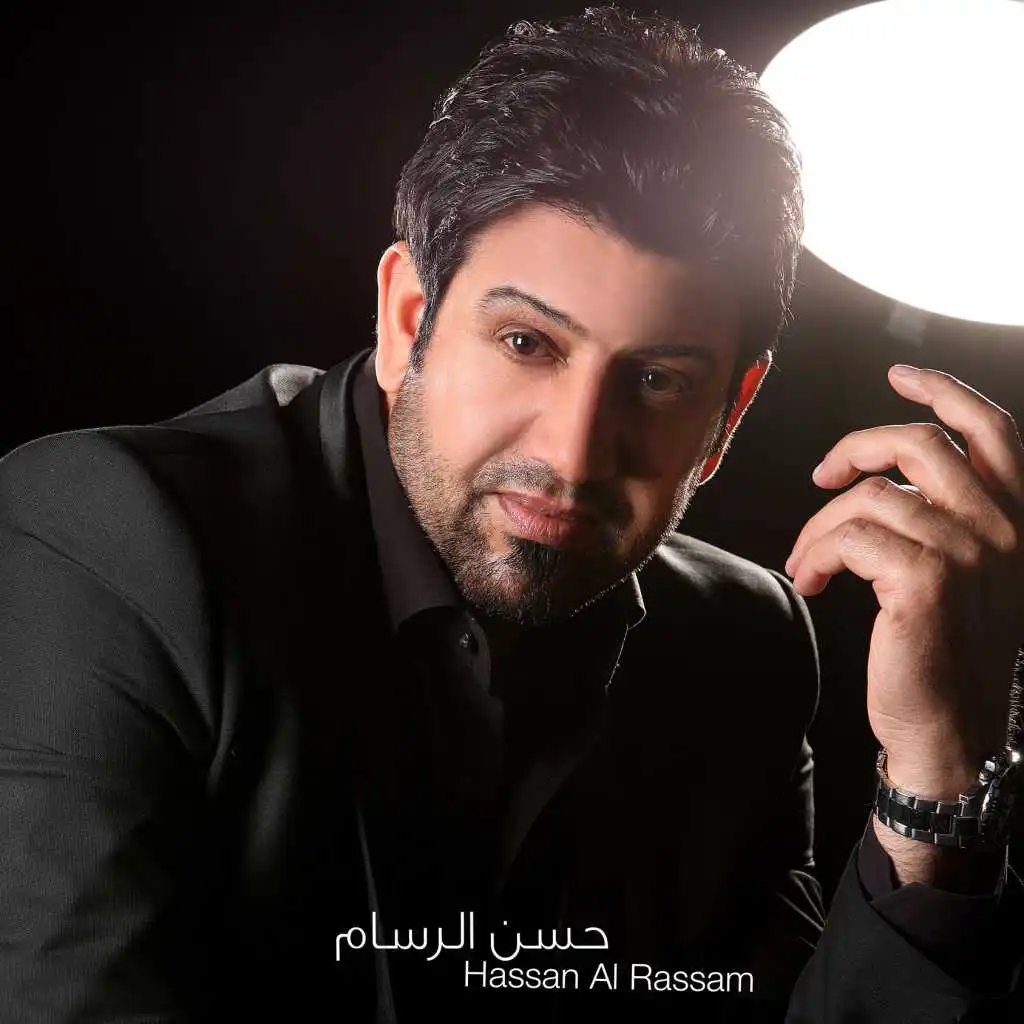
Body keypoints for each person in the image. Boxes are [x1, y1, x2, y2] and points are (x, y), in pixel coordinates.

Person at [1, 6, 1022, 1022]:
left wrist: (938, 782)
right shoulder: (108, 542)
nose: (573, 456)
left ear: (729, 414)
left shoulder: (743, 640)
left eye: (657, 380)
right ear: (408, 318)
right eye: (528, 344)